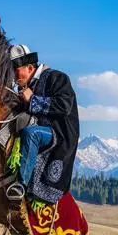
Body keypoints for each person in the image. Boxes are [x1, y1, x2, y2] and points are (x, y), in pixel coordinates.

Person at [7, 45, 80, 205]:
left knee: (31, 134)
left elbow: (64, 106)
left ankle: (20, 186)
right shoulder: (28, 86)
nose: (14, 76)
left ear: (30, 68)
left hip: (60, 135)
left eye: (16, 70)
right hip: (43, 129)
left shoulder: (57, 77)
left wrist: (32, 100)